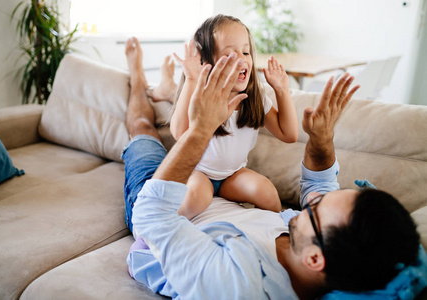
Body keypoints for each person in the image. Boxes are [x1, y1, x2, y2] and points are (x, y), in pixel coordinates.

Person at [122, 37, 422, 299]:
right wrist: (321, 139)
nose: (309, 202)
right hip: (202, 190)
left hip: (158, 212)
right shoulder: (325, 247)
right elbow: (320, 185)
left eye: (314, 209)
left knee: (143, 128)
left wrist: (200, 131)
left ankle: (137, 78)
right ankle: (163, 87)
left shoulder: (236, 285)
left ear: (315, 259)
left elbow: (152, 216)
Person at [170, 15, 298, 219]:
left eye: (246, 52)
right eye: (230, 54)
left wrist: (282, 90)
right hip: (198, 173)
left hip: (232, 175)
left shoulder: (256, 97)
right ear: (207, 63)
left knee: (267, 192)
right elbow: (179, 133)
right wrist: (192, 80)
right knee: (196, 198)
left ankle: (277, 234)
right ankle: (153, 237)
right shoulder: (201, 94)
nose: (242, 58)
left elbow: (289, 134)